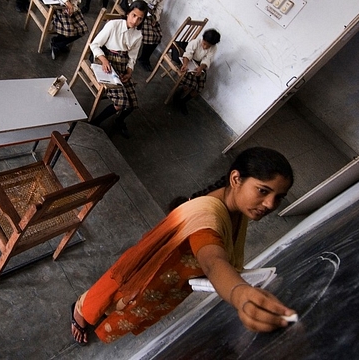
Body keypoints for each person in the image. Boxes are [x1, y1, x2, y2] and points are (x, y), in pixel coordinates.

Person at [70, 147, 297, 344]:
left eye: (279, 197)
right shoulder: (207, 218)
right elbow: (213, 262)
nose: (270, 204)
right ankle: (79, 313)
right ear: (236, 179)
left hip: (168, 281)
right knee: (109, 301)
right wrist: (240, 294)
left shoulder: (237, 210)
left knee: (124, 310)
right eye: (263, 191)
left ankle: (94, 314)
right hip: (145, 278)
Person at [88, 0, 148, 139]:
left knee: (133, 104)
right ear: (128, 13)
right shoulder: (113, 25)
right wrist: (103, 60)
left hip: (121, 66)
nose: (135, 20)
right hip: (106, 59)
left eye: (140, 18)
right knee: (120, 103)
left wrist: (129, 72)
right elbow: (95, 44)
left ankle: (119, 120)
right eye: (133, 15)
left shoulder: (138, 36)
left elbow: (132, 58)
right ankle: (95, 122)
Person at [173, 29, 220, 115]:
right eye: (204, 44)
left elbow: (207, 59)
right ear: (202, 39)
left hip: (199, 65)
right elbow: (188, 53)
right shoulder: (196, 42)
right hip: (188, 61)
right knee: (190, 82)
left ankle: (183, 101)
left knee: (200, 86)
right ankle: (178, 94)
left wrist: (201, 68)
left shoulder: (214, 48)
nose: (205, 47)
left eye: (208, 46)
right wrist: (185, 64)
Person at [119, 0, 164, 71]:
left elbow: (159, 7)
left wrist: (155, 18)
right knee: (149, 34)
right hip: (137, 8)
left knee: (158, 35)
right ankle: (129, 52)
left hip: (149, 14)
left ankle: (144, 58)